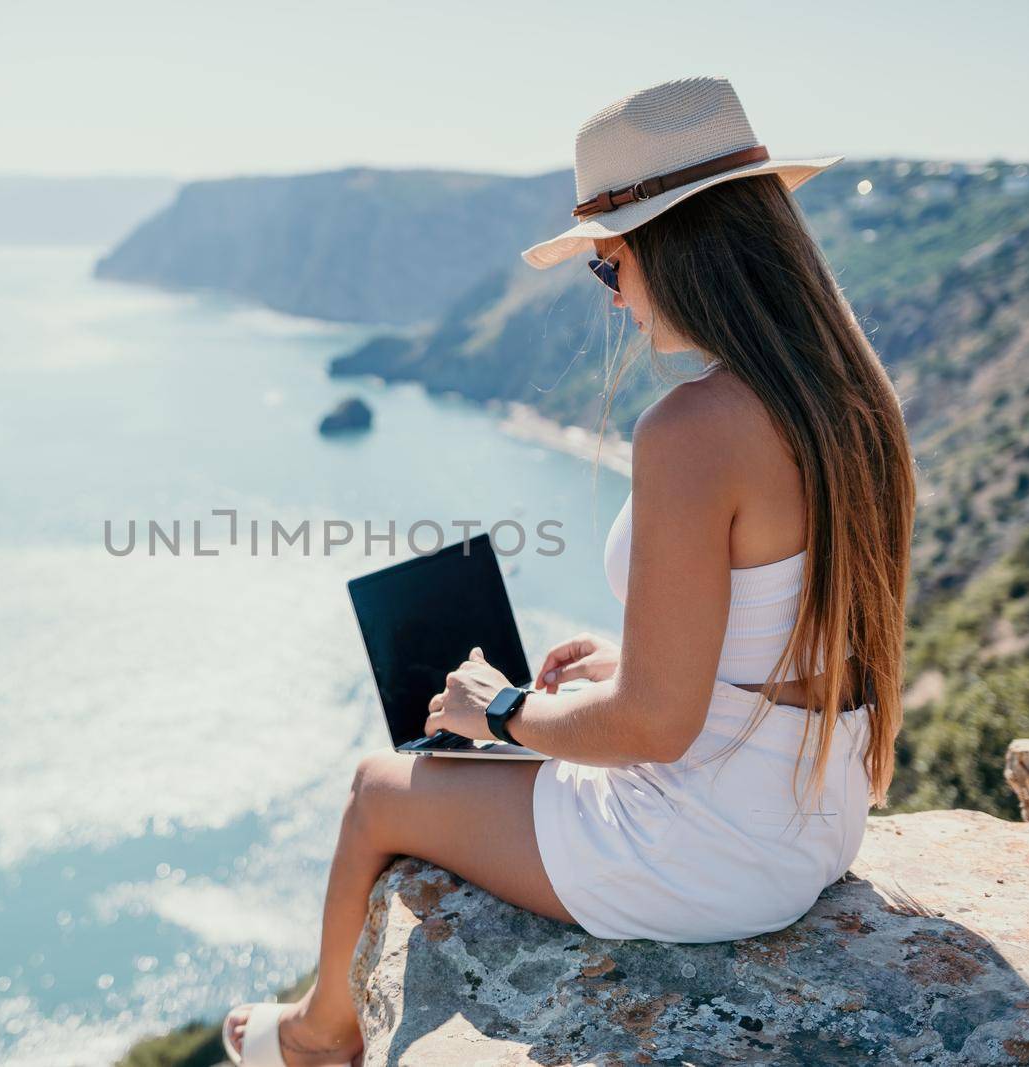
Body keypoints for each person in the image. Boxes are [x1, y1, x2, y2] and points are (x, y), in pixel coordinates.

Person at [222, 75, 916, 1067]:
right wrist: (636, 660)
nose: (616, 296)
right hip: (808, 821)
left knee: (380, 786)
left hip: (705, 857)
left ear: (673, 252)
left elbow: (654, 729)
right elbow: (794, 623)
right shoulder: (845, 392)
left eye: (610, 266)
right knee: (483, 756)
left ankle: (320, 1031)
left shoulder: (692, 428)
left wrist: (495, 706)